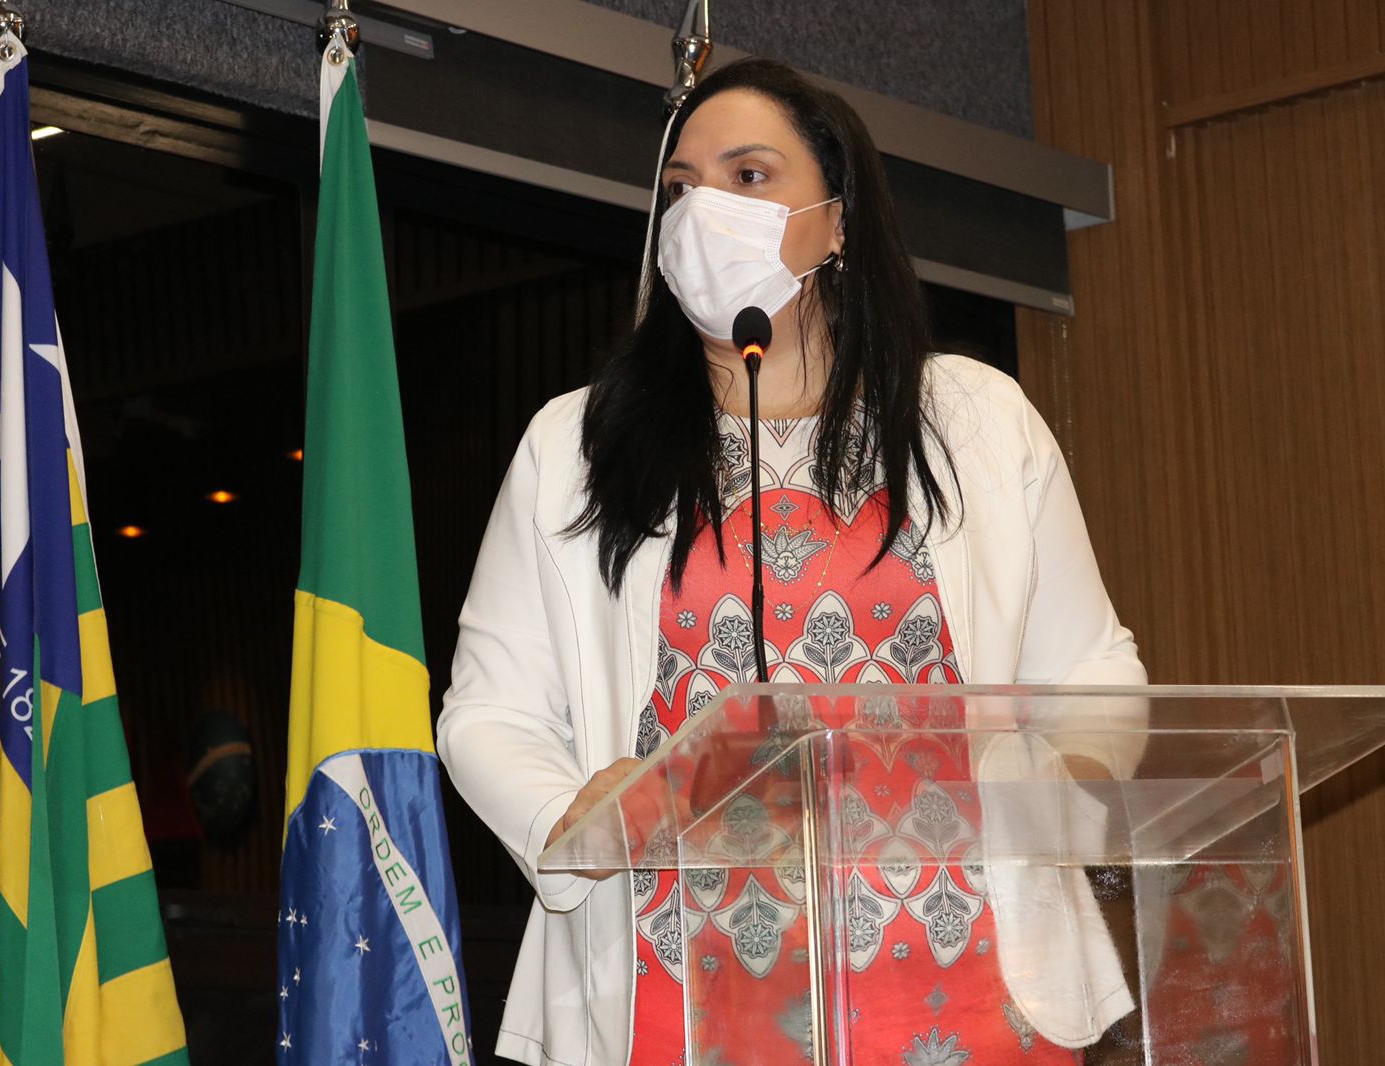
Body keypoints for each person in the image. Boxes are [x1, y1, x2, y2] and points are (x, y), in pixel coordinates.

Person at [437, 57, 1145, 1066]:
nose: (703, 210)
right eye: (681, 187)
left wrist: (1059, 792)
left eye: (748, 175)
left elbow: (1092, 671)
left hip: (970, 984)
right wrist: (567, 813)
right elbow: (488, 711)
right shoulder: (576, 444)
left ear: (837, 217)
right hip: (679, 993)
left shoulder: (974, 419)